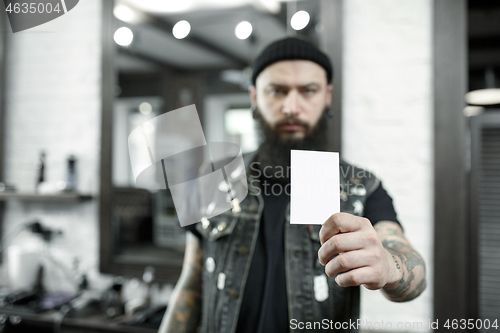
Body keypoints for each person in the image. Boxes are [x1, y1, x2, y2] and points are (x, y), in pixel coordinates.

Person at [159, 37, 426, 333]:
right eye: (277, 91)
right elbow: (192, 283)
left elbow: (414, 277)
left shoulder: (360, 187)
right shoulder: (214, 178)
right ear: (254, 96)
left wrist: (389, 266)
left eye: (308, 91)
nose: (291, 107)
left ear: (327, 96)